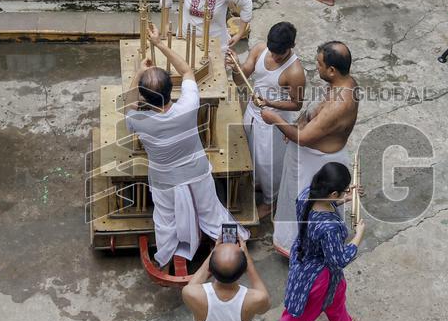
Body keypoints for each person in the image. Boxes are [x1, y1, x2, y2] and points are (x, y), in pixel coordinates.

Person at [124, 24, 248, 267]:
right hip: (197, 173)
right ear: (172, 90)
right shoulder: (189, 105)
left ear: (143, 97)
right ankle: (236, 247)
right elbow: (188, 71)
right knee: (212, 212)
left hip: (164, 180)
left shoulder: (138, 120)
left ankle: (169, 254)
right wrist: (160, 43)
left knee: (165, 219)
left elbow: (128, 102)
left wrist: (138, 73)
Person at [263, 41, 359, 256]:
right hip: (307, 155)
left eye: (319, 64)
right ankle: (289, 241)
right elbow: (314, 113)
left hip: (318, 163)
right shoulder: (343, 82)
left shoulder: (340, 103)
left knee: (308, 207)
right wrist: (299, 122)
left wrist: (275, 119)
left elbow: (304, 138)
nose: (317, 67)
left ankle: (304, 250)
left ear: (332, 70)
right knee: (294, 198)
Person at [261, 163, 364, 321]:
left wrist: (345, 198)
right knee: (299, 316)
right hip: (318, 276)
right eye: (342, 192)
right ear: (332, 193)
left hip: (304, 255)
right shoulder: (330, 228)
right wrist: (358, 236)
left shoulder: (307, 194)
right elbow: (338, 260)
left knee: (338, 291)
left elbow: (324, 203)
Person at [226, 22, 306, 219]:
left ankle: (271, 201)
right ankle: (260, 182)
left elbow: (297, 104)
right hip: (253, 114)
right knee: (251, 153)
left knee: (269, 163)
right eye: (273, 51)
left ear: (291, 46)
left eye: (280, 53)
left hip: (274, 120)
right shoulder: (260, 50)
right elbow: (239, 80)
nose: (275, 56)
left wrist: (270, 103)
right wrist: (236, 66)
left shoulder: (295, 72)